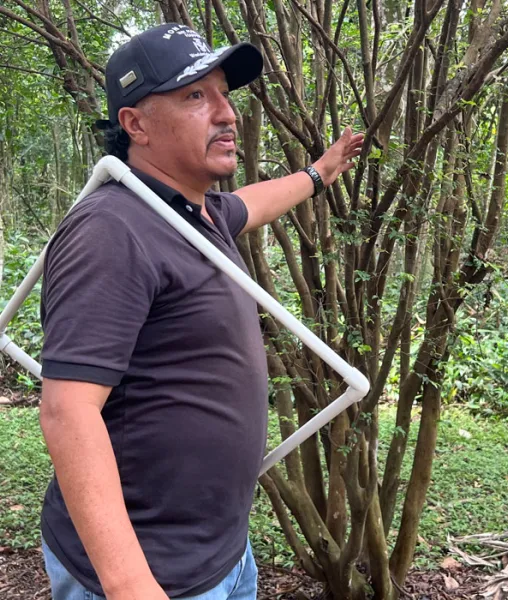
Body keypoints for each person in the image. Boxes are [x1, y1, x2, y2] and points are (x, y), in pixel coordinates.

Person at [37, 22, 363, 600]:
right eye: (195, 96)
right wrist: (130, 584)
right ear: (135, 124)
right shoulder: (112, 228)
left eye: (223, 94)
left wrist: (319, 173)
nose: (226, 113)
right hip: (151, 572)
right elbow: (68, 412)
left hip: (222, 556)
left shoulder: (197, 214)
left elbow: (253, 203)